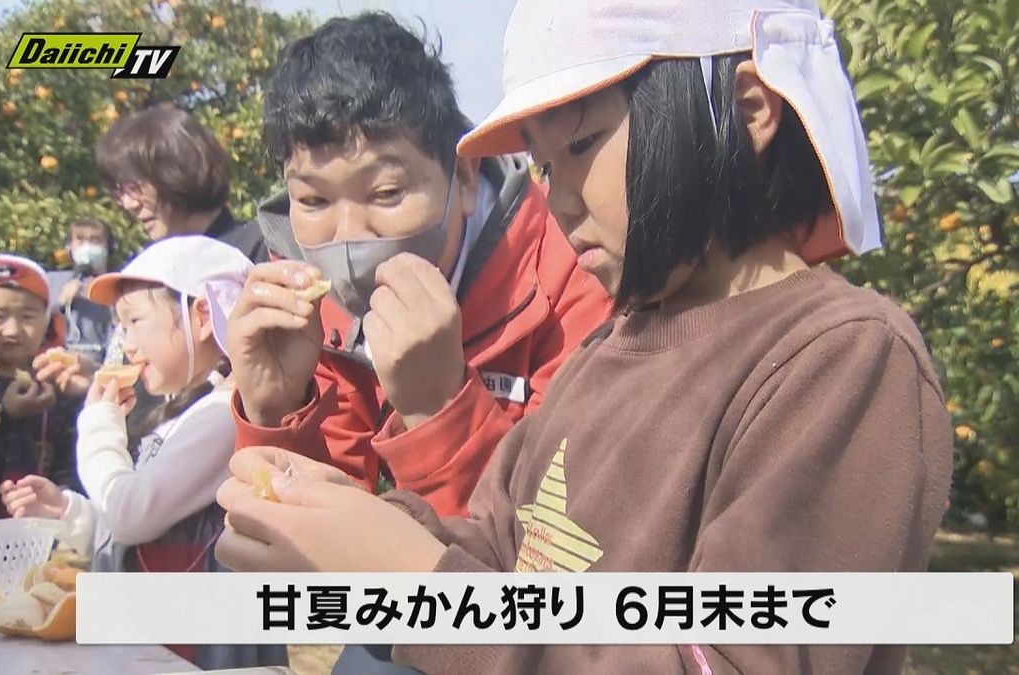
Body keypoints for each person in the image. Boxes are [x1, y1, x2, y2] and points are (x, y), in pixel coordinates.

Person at [214, 1, 956, 673]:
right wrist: (353, 522)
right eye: (540, 162)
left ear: (747, 108)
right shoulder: (609, 351)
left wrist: (423, 588)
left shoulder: (840, 358)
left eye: (582, 147)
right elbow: (503, 549)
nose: (554, 194)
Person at [224, 13, 611, 517]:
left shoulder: (573, 271)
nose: (348, 236)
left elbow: (558, 546)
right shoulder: (305, 316)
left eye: (386, 192)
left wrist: (436, 407)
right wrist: (275, 412)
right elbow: (310, 552)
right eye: (313, 201)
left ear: (465, 177)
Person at [0, 236, 287, 671]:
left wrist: (97, 423)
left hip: (197, 649)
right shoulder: (190, 409)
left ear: (204, 316)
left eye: (133, 321)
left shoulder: (225, 413)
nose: (125, 343)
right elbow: (148, 526)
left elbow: (131, 516)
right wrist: (70, 511)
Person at [0, 254, 83, 518]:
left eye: (28, 316)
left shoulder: (61, 392)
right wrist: (1, 419)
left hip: (40, 543)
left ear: (46, 323)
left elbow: (73, 471)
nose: (13, 329)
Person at [96, 105, 269, 263]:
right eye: (119, 193)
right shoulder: (149, 269)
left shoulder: (259, 250)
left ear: (177, 171)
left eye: (133, 187)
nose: (129, 204)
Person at [46, 218, 116, 364]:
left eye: (95, 240)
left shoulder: (116, 284)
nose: (88, 246)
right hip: (54, 360)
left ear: (108, 247)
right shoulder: (50, 280)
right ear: (69, 246)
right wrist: (60, 302)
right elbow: (35, 323)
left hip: (96, 364)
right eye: (80, 240)